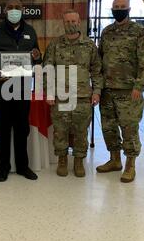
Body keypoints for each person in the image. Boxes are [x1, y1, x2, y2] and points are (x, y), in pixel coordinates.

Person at [0, 0, 42, 182]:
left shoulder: (30, 31)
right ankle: (4, 168)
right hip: (2, 88)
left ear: (23, 9)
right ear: (5, 10)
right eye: (10, 7)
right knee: (4, 128)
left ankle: (23, 166)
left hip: (24, 88)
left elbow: (37, 57)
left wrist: (37, 57)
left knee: (22, 128)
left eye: (17, 7)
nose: (14, 10)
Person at [97, 0, 144, 183]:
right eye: (116, 7)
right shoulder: (106, 31)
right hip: (107, 90)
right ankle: (114, 160)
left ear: (129, 9)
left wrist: (139, 85)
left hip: (129, 91)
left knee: (129, 128)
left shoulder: (138, 32)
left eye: (122, 7)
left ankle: (130, 165)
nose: (119, 9)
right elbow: (99, 59)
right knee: (109, 127)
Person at [43, 10, 103, 178]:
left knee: (81, 131)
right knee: (60, 130)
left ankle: (78, 161)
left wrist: (96, 91)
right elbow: (47, 70)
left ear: (79, 22)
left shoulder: (89, 45)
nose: (71, 24)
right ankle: (62, 160)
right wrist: (48, 92)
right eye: (67, 21)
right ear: (63, 23)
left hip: (82, 97)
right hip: (60, 97)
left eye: (74, 21)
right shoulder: (55, 45)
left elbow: (97, 71)